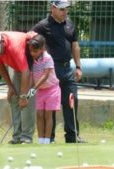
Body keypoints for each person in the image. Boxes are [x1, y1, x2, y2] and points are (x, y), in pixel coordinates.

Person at [32, 0, 86, 143]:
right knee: (51, 103)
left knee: (71, 101)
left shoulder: (69, 24)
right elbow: (31, 43)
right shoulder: (42, 26)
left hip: (67, 68)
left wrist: (78, 66)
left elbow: (75, 45)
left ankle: (72, 136)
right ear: (53, 8)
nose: (65, 12)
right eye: (62, 9)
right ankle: (50, 137)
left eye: (66, 9)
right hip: (51, 69)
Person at [0, 30, 36, 144]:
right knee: (13, 98)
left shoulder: (14, 46)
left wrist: (23, 96)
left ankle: (26, 137)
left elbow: (26, 72)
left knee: (27, 100)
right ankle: (17, 136)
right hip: (18, 69)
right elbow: (0, 66)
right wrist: (10, 87)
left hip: (32, 67)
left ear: (2, 41)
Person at [26, 34, 61, 144]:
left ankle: (47, 140)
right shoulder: (32, 59)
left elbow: (45, 76)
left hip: (52, 90)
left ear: (42, 49)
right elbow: (32, 76)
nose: (32, 53)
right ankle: (40, 140)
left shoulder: (47, 58)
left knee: (47, 115)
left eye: (35, 51)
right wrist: (29, 88)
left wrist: (33, 88)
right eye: (31, 51)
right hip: (40, 90)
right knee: (39, 115)